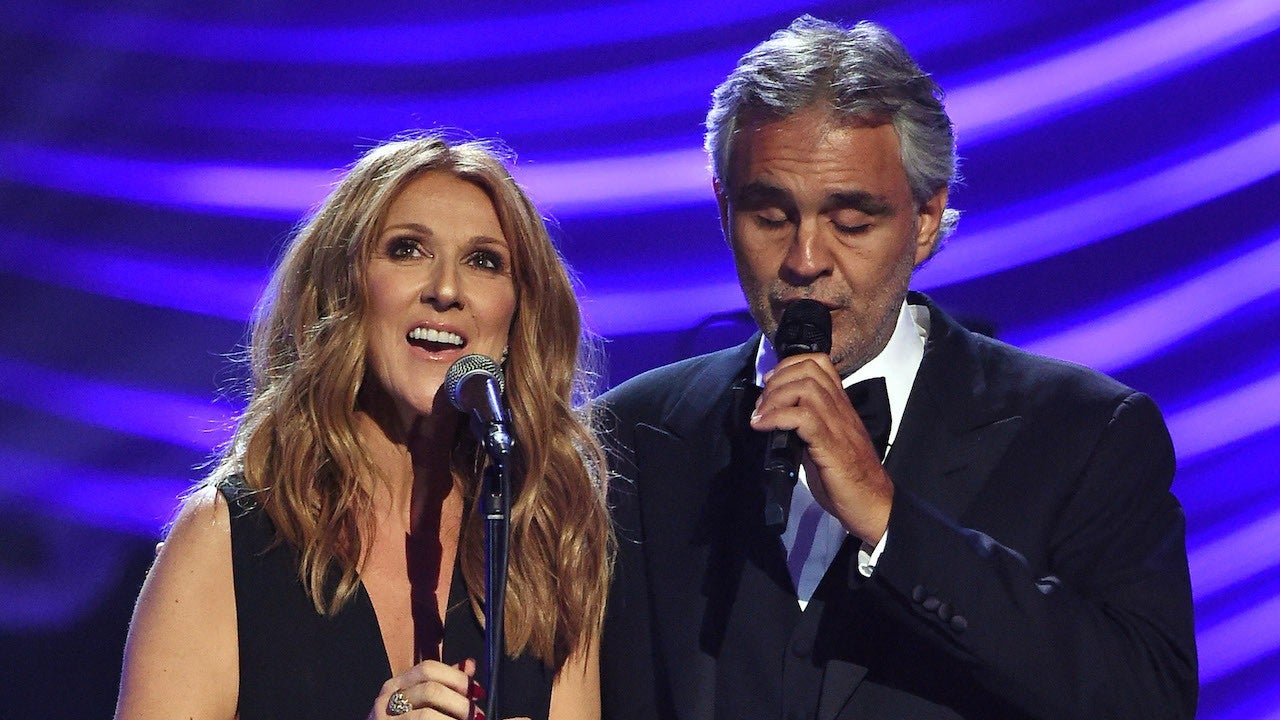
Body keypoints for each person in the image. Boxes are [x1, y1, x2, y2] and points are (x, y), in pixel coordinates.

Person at [598, 16, 1196, 720]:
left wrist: (888, 518)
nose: (805, 261)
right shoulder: (625, 439)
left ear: (926, 220)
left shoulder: (1086, 433)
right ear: (723, 209)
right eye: (770, 217)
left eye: (851, 222)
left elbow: (1145, 698)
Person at [115, 134, 612, 720]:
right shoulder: (228, 537)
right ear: (343, 292)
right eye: (407, 250)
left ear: (517, 314)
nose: (446, 290)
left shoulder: (548, 543)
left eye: (484, 261)